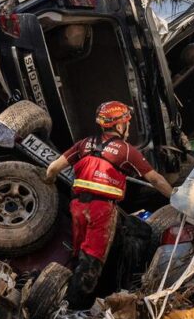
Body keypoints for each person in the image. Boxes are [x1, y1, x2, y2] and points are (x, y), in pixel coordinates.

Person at [44, 100, 173, 306]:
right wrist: (174, 196)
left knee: (79, 255)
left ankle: (68, 294)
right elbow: (155, 179)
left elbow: (52, 169)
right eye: (127, 124)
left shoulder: (84, 144)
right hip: (100, 210)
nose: (128, 129)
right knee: (91, 263)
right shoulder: (126, 151)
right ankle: (73, 310)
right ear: (120, 126)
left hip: (77, 206)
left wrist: (49, 183)